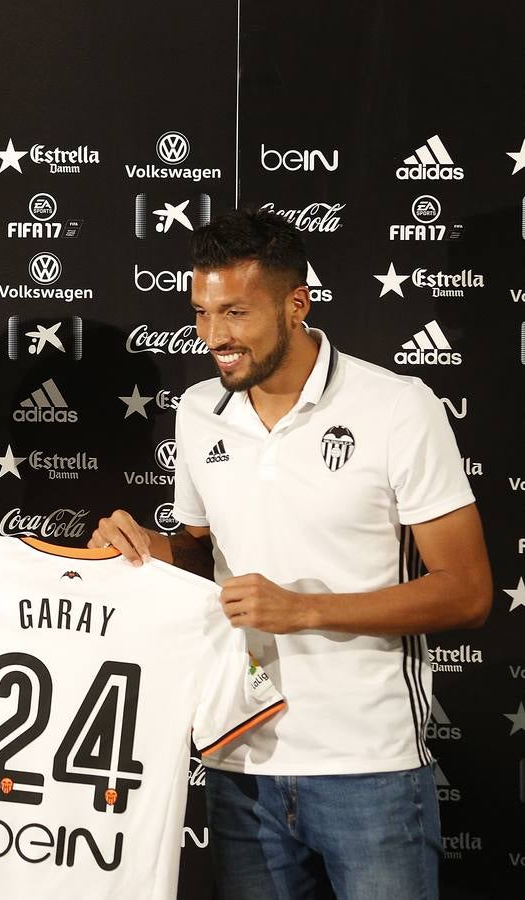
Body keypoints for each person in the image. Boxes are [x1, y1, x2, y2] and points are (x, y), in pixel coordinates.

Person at [90, 209, 491, 899]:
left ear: (295, 304)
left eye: (235, 313)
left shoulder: (396, 407)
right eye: (201, 312)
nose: (213, 336)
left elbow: (466, 592)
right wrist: (146, 550)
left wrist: (302, 609)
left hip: (368, 767)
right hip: (237, 759)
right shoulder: (195, 410)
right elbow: (198, 556)